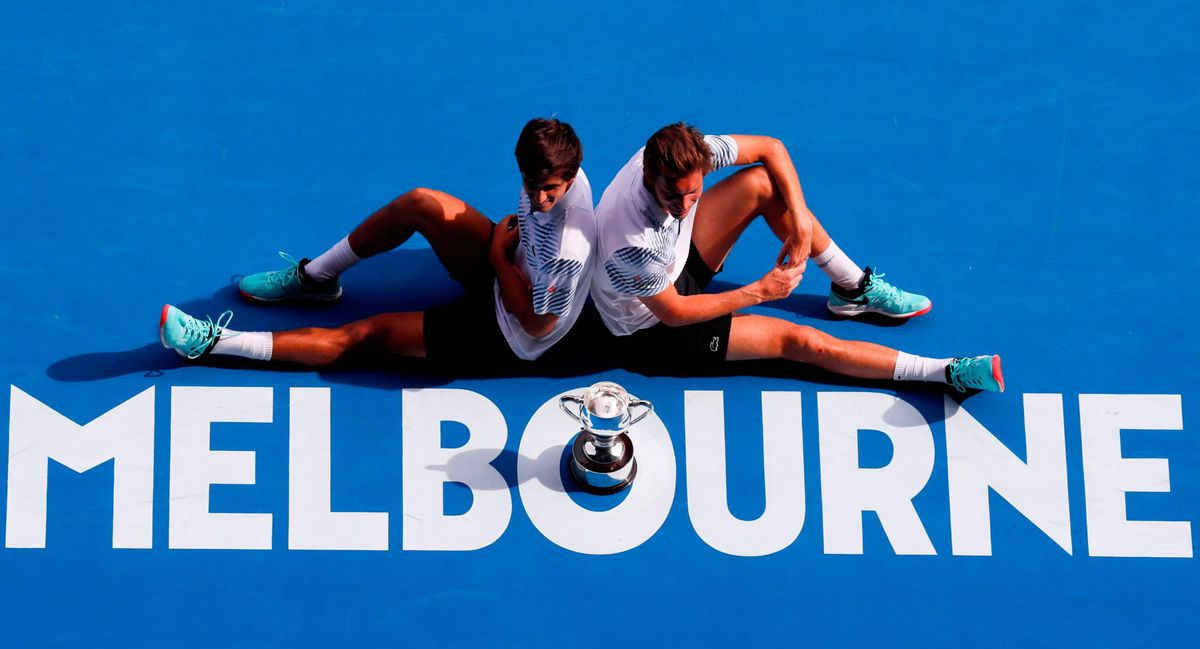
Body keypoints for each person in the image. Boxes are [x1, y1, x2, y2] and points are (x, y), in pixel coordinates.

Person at [589, 122, 1003, 392]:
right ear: (649, 177)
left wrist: (800, 220)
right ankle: (944, 372)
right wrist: (758, 292)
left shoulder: (689, 154)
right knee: (801, 341)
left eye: (692, 192)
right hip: (654, 328)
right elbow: (675, 313)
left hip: (675, 265)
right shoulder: (631, 240)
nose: (683, 205)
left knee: (762, 184)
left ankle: (852, 287)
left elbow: (771, 148)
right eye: (671, 195)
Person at [159, 118, 596, 370]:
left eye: (550, 190)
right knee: (421, 203)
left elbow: (540, 326)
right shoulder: (551, 170)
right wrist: (507, 255)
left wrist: (500, 260)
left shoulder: (569, 249)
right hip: (511, 267)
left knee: (361, 336)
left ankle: (213, 343)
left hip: (509, 332)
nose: (538, 198)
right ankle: (316, 278)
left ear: (571, 178)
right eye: (530, 184)